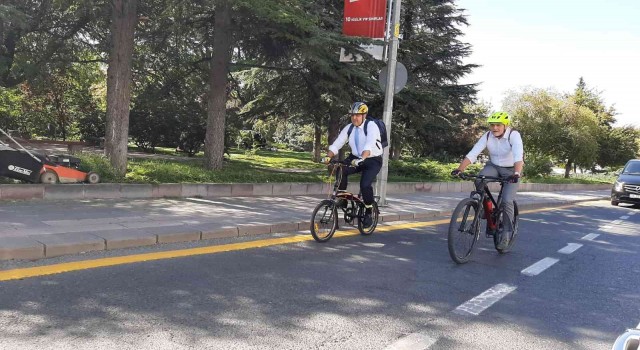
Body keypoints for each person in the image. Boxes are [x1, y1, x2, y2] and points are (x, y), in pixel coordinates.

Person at [451, 111, 524, 249]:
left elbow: (518, 156)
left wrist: (516, 173)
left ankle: (506, 234)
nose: (494, 128)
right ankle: (487, 207)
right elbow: (474, 152)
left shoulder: (514, 135)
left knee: (507, 200)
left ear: (505, 125)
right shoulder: (488, 135)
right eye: (492, 125)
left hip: (511, 170)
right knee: (479, 180)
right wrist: (460, 169)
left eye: (498, 125)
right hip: (494, 166)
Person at [322, 102, 383, 228]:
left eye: (358, 115)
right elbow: (338, 143)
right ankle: (343, 200)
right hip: (355, 157)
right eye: (353, 115)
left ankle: (368, 211)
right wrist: (329, 156)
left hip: (372, 159)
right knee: (341, 169)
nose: (355, 118)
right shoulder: (349, 128)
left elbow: (370, 144)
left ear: (364, 115)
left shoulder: (371, 126)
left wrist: (363, 158)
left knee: (365, 184)